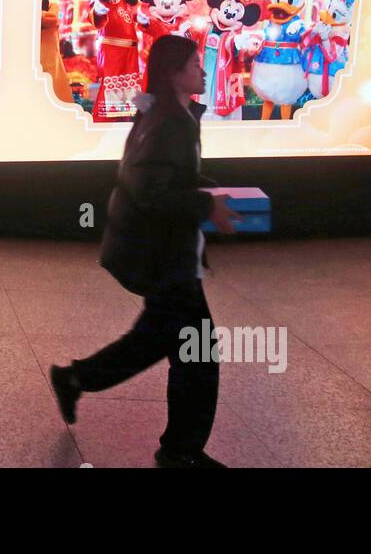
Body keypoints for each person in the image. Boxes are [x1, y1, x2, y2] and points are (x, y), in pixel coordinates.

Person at [49, 34, 238, 468]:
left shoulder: (172, 114)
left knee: (159, 340)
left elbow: (165, 180)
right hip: (163, 255)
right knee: (196, 351)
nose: (204, 71)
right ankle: (180, 451)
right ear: (174, 72)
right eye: (195, 64)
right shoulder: (169, 120)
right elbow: (150, 189)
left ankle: (76, 379)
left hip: (163, 253)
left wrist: (211, 195)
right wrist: (208, 203)